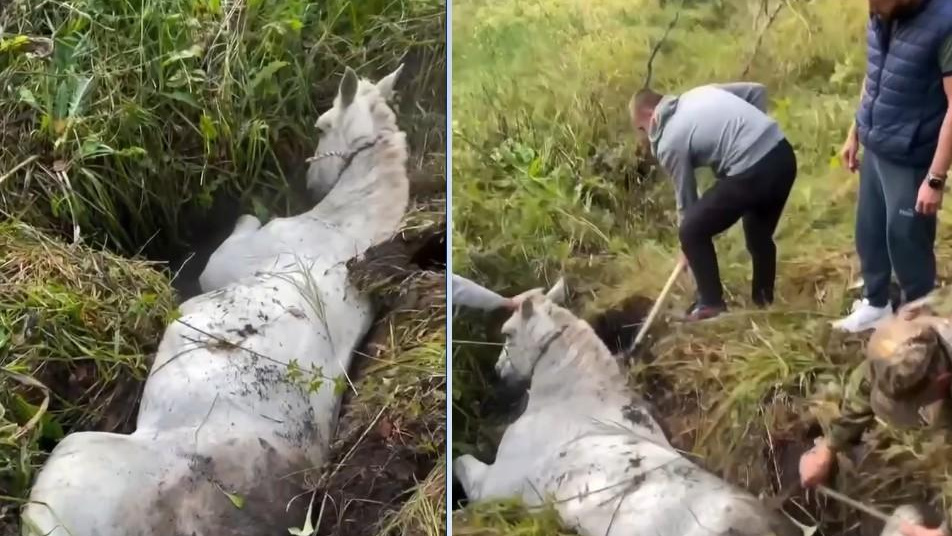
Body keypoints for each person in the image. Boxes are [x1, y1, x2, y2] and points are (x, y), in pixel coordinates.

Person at [630, 82, 797, 321]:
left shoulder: (668, 140)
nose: (645, 135)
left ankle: (710, 304)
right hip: (782, 156)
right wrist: (754, 135)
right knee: (758, 235)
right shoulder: (700, 92)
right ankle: (763, 304)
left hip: (753, 170)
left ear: (649, 114)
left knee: (691, 231)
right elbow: (756, 91)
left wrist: (686, 245)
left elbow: (686, 200)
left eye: (641, 128)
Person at [832, 0, 952, 333]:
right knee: (870, 233)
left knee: (907, 241)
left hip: (913, 153)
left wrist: (936, 178)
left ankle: (922, 326)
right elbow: (875, 76)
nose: (873, 7)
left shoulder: (945, 23)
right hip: (877, 144)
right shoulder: (883, 13)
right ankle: (876, 304)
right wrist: (854, 132)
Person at [799, 312, 952, 536]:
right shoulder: (903, 343)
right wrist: (829, 445)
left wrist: (944, 531)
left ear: (942, 381)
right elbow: (866, 386)